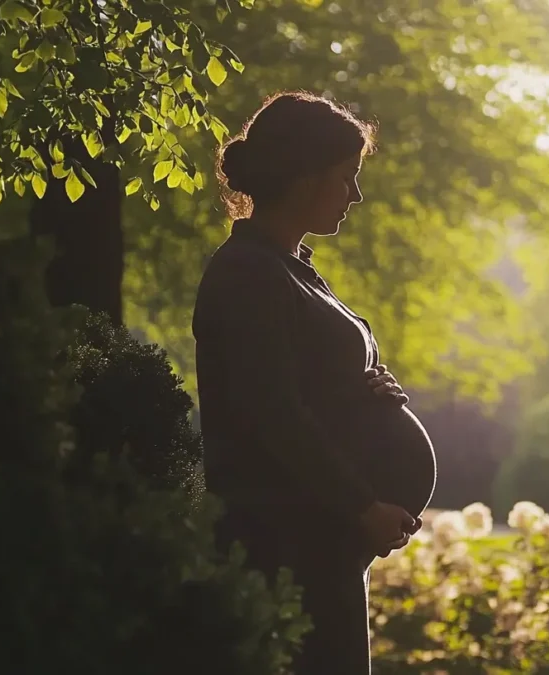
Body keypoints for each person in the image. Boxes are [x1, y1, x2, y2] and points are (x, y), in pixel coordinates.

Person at [192, 91, 438, 674]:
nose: (354, 195)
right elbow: (270, 411)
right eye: (345, 177)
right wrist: (362, 506)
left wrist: (370, 393)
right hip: (286, 538)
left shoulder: (290, 268)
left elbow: (309, 389)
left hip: (320, 539)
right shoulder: (248, 273)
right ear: (304, 179)